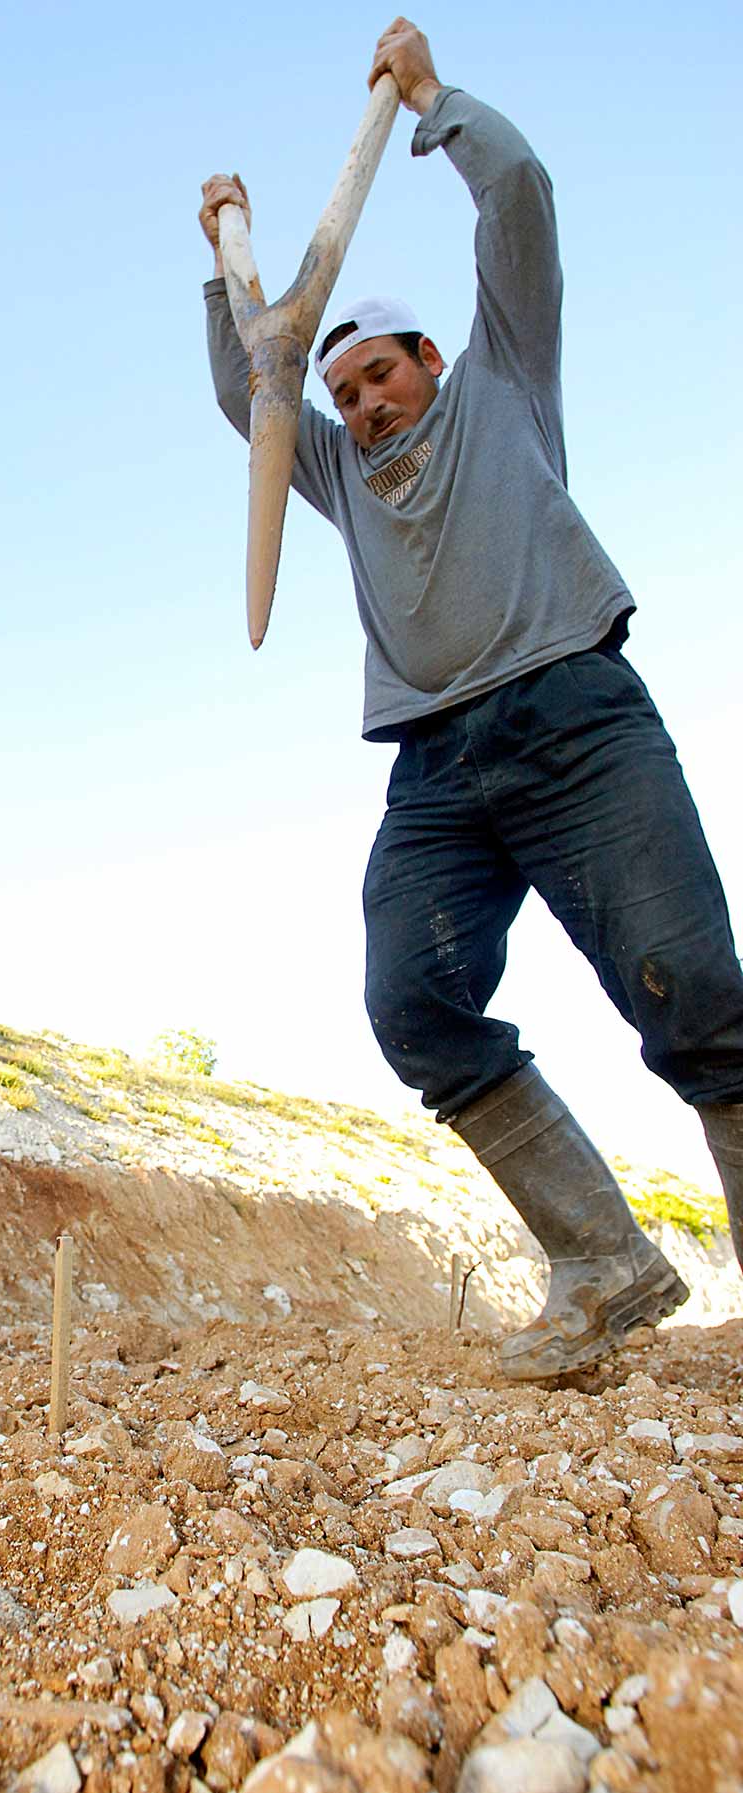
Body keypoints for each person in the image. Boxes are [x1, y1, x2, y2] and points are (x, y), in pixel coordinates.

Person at [198, 17, 743, 1380]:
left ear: (431, 357)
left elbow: (520, 202)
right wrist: (224, 266)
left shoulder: (507, 381)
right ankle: (604, 1262)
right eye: (345, 390)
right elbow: (254, 400)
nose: (364, 403)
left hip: (574, 717)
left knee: (695, 993)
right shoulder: (342, 478)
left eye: (380, 372)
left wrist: (432, 99)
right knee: (414, 1002)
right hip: (437, 767)